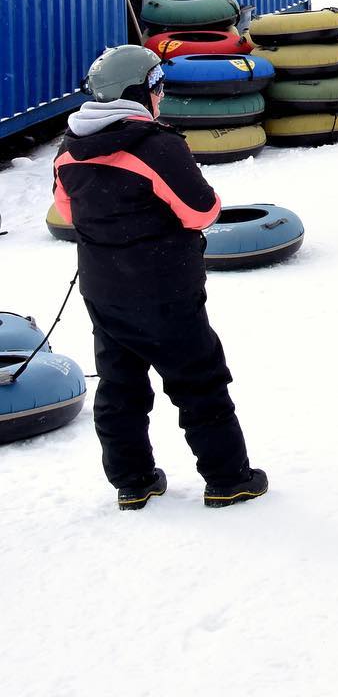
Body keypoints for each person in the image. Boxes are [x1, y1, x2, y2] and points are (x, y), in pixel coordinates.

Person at [51, 46, 267, 510]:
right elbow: (201, 212)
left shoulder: (69, 150)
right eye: (155, 85)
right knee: (199, 382)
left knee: (120, 387)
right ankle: (229, 479)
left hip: (105, 293)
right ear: (134, 91)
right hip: (165, 291)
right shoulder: (157, 146)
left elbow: (67, 212)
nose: (161, 94)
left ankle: (133, 482)